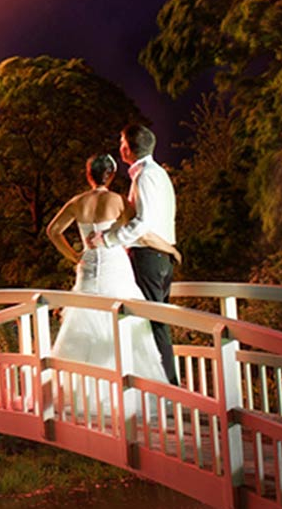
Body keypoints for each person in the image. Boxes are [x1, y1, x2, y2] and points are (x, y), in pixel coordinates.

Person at [50, 153, 178, 420]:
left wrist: (73, 256)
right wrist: (170, 249)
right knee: (127, 324)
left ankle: (83, 396)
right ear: (111, 175)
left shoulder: (77, 203)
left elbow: (53, 230)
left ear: (89, 174)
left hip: (87, 268)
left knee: (83, 324)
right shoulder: (118, 201)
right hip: (115, 268)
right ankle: (125, 394)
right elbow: (141, 233)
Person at [92, 124, 183, 383]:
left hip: (149, 257)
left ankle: (169, 388)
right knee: (151, 322)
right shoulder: (155, 174)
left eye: (122, 142)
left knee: (153, 325)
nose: (120, 147)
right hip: (158, 257)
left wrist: (108, 239)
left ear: (128, 148)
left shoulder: (146, 177)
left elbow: (142, 223)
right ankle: (161, 385)